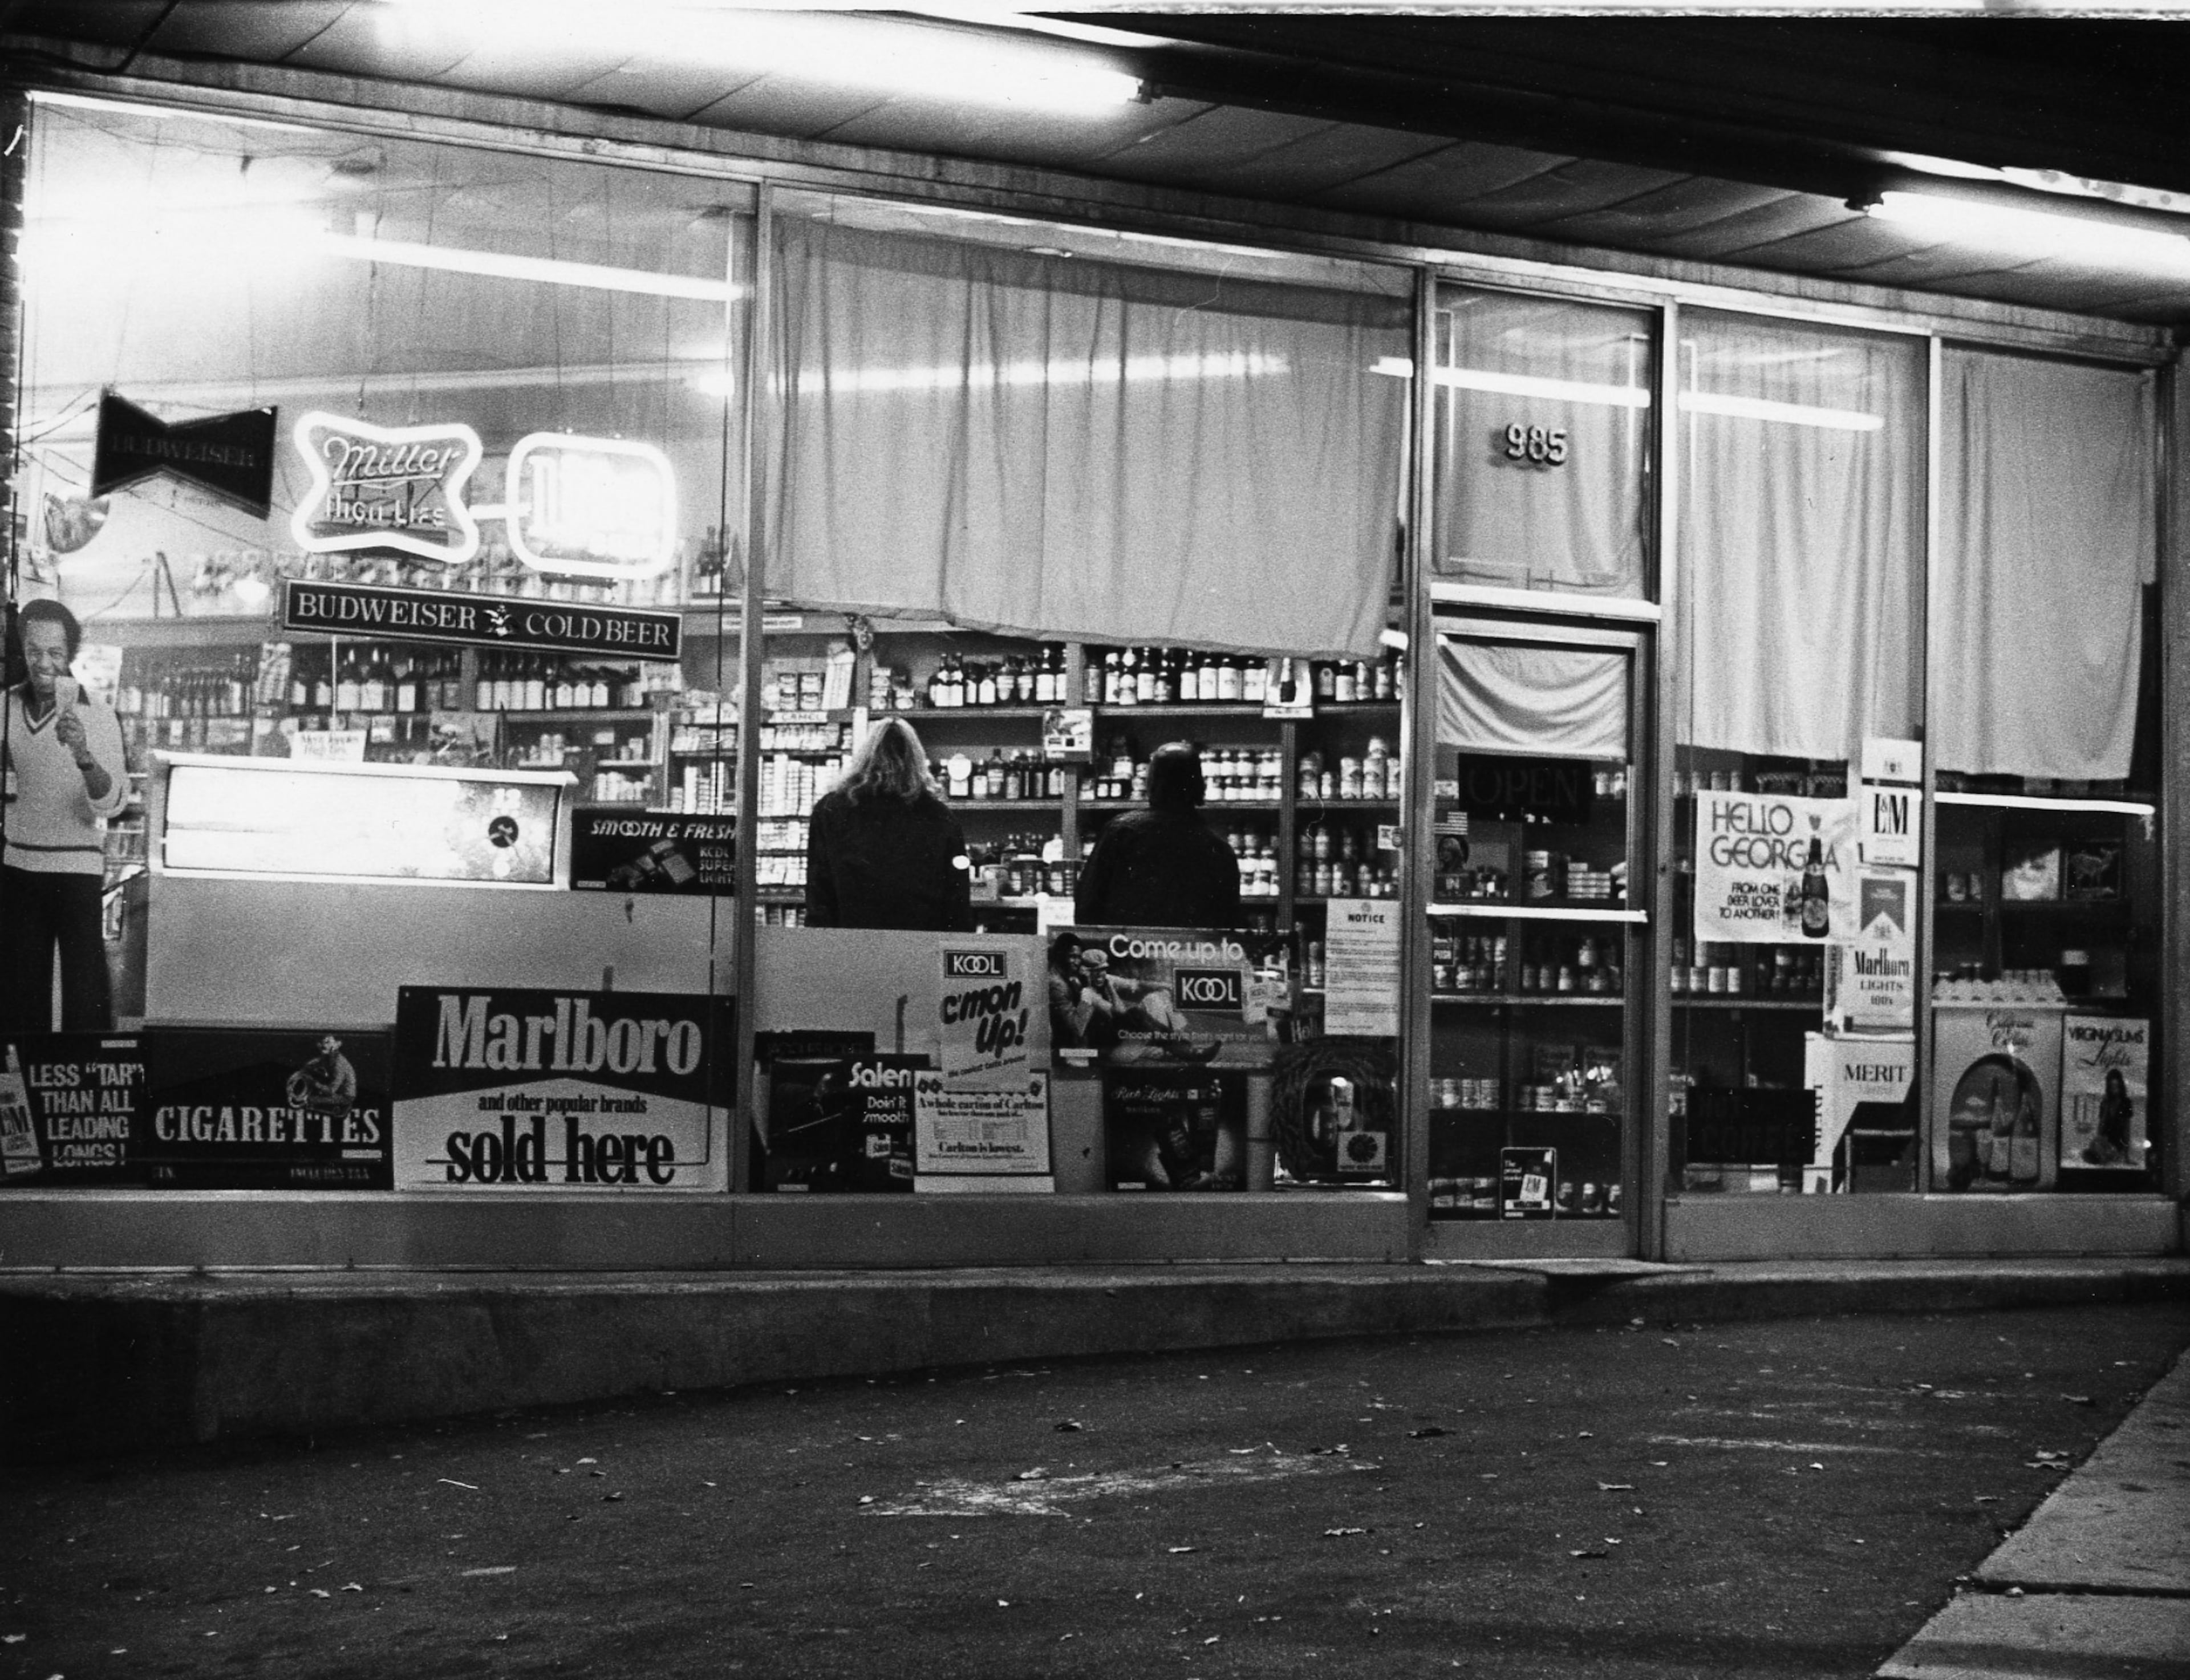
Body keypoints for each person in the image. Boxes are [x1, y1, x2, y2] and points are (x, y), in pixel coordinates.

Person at [2, 599, 127, 1034]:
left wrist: (84, 755)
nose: (44, 663)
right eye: (34, 651)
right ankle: (20, 1092)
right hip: (18, 864)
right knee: (19, 992)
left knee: (82, 991)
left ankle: (82, 1086)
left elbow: (112, 803)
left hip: (77, 866)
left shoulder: (97, 713)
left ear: (70, 654)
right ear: (21, 649)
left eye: (55, 653)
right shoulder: (5, 708)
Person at [804, 717, 972, 932]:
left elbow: (819, 891)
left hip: (849, 944)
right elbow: (956, 901)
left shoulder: (830, 809)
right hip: (919, 946)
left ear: (864, 757)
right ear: (917, 760)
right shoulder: (940, 816)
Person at [1073, 741, 1242, 930]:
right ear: (1199, 785)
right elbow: (1229, 921)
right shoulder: (1219, 849)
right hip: (1190, 955)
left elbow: (1087, 904)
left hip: (1125, 952)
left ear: (1151, 783)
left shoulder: (1122, 831)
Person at [286, 1034, 359, 1124]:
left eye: (328, 1042)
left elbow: (331, 1090)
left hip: (345, 1096)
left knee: (310, 1101)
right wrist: (306, 1070)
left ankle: (341, 1108)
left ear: (337, 1045)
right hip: (334, 1088)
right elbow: (315, 1063)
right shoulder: (328, 1057)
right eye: (322, 1043)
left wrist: (313, 1083)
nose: (324, 1045)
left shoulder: (339, 1065)